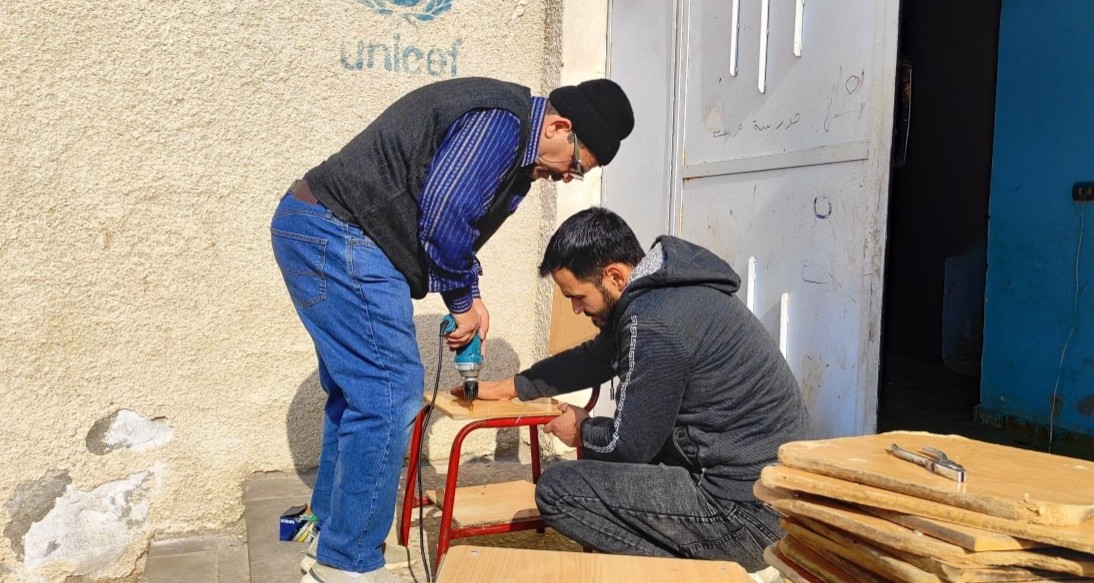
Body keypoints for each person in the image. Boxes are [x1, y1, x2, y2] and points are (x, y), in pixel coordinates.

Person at [271, 78, 634, 583]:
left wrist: (471, 296)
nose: (569, 178)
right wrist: (461, 302)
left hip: (323, 228)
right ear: (559, 126)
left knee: (357, 397)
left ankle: (331, 538)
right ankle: (347, 567)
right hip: (339, 233)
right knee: (390, 396)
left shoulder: (514, 148)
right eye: (576, 165)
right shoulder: (502, 122)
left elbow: (454, 225)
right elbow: (444, 214)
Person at [466, 207, 809, 571]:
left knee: (557, 490)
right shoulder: (667, 291)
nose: (576, 309)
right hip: (770, 497)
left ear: (614, 276)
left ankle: (707, 574)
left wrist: (580, 430)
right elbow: (595, 358)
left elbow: (627, 446)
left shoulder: (654, 322)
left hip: (746, 514)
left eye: (578, 297)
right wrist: (513, 387)